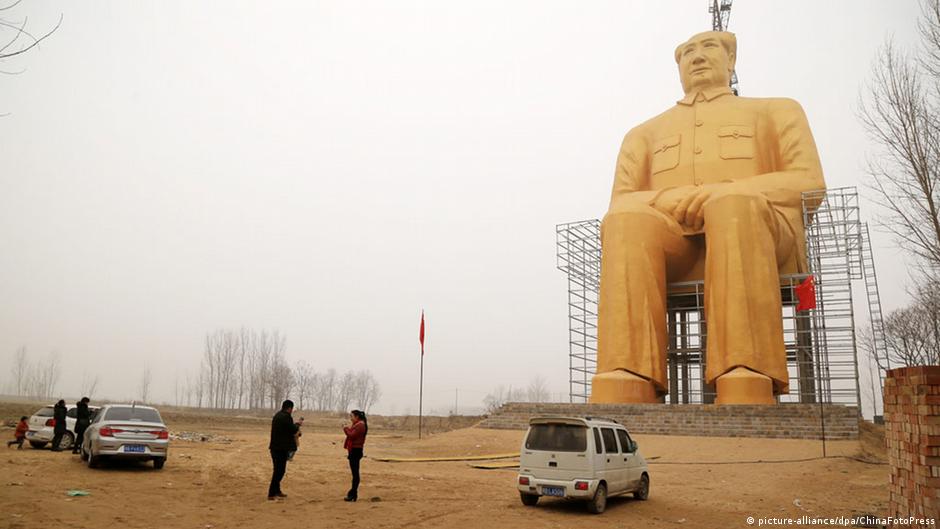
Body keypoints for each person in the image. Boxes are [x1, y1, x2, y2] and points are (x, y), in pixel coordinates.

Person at [592, 30, 826, 405]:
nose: (697, 57)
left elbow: (809, 182)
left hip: (760, 235)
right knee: (625, 222)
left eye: (709, 47)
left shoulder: (776, 110)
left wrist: (724, 192)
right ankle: (629, 373)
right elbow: (620, 201)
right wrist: (668, 198)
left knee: (734, 205)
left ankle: (746, 370)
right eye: (687, 53)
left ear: (731, 60)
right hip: (677, 247)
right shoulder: (643, 134)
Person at [268, 399, 302, 500]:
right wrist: (298, 425)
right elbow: (292, 429)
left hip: (275, 447)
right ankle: (271, 493)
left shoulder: (277, 415)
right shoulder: (286, 417)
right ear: (290, 408)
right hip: (280, 449)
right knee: (279, 471)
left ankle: (277, 491)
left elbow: (286, 427)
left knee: (278, 470)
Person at [342, 409, 368, 502]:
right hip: (354, 450)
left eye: (351, 416)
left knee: (355, 474)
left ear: (357, 417)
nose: (350, 418)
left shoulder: (360, 425)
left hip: (355, 451)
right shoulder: (358, 424)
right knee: (355, 473)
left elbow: (351, 435)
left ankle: (353, 493)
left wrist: (345, 428)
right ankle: (353, 494)